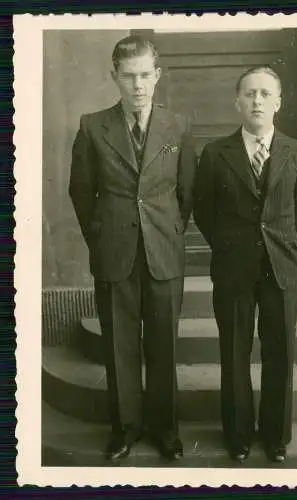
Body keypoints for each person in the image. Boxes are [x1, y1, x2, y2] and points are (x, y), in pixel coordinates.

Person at [69, 35, 196, 462]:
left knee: (164, 344)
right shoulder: (92, 126)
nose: (138, 84)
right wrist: (102, 235)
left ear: (157, 75)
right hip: (115, 251)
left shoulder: (177, 125)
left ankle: (165, 430)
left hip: (163, 250)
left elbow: (186, 190)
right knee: (120, 346)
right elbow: (81, 192)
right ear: (115, 78)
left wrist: (168, 231)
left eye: (145, 75)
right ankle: (124, 430)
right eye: (129, 76)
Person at [193, 66, 297, 463]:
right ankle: (238, 436)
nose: (257, 101)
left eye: (265, 93)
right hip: (234, 268)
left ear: (279, 102)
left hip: (281, 269)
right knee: (234, 352)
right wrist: (229, 248)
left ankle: (276, 437)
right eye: (249, 94)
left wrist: (290, 254)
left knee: (280, 353)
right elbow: (203, 211)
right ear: (236, 102)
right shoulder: (215, 153)